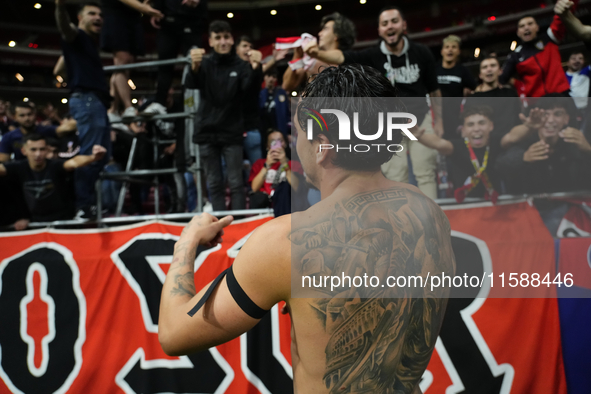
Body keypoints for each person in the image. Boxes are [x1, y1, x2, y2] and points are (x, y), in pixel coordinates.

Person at [158, 64, 455, 394]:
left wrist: (185, 245)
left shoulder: (288, 240)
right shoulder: (429, 213)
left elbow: (173, 333)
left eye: (298, 134)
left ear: (322, 146)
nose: (295, 144)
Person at [304, 6, 444, 200]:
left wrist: (440, 122)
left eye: (394, 21)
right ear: (379, 30)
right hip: (388, 125)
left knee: (426, 174)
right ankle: (404, 225)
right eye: (384, 24)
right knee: (396, 176)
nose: (390, 27)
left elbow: (434, 91)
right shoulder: (372, 55)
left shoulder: (422, 53)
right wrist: (316, 53)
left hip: (421, 120)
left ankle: (432, 224)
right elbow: (341, 57)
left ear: (403, 25)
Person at [187, 20, 263, 211]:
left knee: (237, 183)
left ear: (232, 40)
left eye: (226, 37)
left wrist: (257, 68)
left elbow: (250, 93)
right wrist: (193, 67)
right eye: (218, 37)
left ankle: (236, 225)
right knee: (214, 183)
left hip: (232, 132)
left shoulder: (241, 65)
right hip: (207, 132)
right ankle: (219, 226)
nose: (223, 42)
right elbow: (190, 84)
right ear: (210, 42)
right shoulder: (203, 63)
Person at [55, 0, 113, 218]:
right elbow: (64, 27)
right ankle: (82, 206)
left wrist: (67, 61)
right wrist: (60, 6)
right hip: (87, 100)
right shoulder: (76, 35)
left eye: (100, 14)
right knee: (91, 154)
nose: (98, 17)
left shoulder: (82, 43)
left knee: (102, 155)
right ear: (80, 18)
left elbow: (56, 70)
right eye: (92, 13)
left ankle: (85, 204)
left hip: (95, 102)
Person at [0, 134, 106, 228]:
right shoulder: (19, 167)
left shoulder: (55, 165)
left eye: (42, 149)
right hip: (34, 222)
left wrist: (93, 157)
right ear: (24, 151)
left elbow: (74, 162)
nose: (38, 154)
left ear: (47, 150)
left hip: (62, 221)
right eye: (33, 150)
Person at [497, 95, 591, 194]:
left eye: (557, 114)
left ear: (566, 119)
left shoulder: (574, 143)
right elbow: (500, 166)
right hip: (529, 204)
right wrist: (523, 158)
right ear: (538, 117)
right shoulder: (526, 139)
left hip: (566, 204)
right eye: (545, 114)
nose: (550, 120)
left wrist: (588, 150)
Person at [412, 105, 509, 202]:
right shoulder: (457, 146)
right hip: (464, 208)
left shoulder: (497, 142)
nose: (476, 128)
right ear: (463, 130)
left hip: (497, 206)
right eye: (470, 124)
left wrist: (525, 127)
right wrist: (420, 137)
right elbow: (438, 143)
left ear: (491, 126)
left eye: (481, 123)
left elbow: (513, 136)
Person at [100, 0, 163, 120]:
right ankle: (128, 107)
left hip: (132, 16)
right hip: (117, 15)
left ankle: (113, 110)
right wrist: (142, 8)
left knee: (126, 65)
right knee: (122, 63)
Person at [499, 11, 573, 97]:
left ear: (537, 27)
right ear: (518, 32)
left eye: (530, 24)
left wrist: (565, 5)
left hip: (562, 95)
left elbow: (561, 17)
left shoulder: (550, 38)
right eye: (522, 26)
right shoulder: (515, 55)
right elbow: (501, 79)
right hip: (537, 103)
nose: (526, 28)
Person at [151, 0, 208, 106]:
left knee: (194, 64)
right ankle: (159, 104)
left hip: (192, 21)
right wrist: (156, 9)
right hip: (168, 23)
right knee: (164, 66)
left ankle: (195, 104)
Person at [282, 12, 356, 93]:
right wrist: (296, 56)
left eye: (325, 29)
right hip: (312, 104)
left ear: (337, 34)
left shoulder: (350, 63)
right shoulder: (311, 60)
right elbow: (287, 85)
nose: (319, 33)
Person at [0, 102, 77, 162]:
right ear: (15, 117)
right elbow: (4, 160)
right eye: (22, 115)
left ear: (35, 115)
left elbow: (67, 127)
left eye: (29, 114)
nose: (27, 118)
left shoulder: (46, 130)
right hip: (21, 172)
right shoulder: (9, 137)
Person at [248, 130, 300, 213]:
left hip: (286, 205)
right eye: (273, 142)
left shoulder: (294, 164)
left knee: (285, 186)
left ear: (285, 144)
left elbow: (297, 187)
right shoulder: (259, 163)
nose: (277, 144)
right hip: (265, 205)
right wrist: (267, 165)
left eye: (280, 141)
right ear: (267, 146)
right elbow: (254, 189)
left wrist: (285, 164)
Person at [468, 55, 521, 137]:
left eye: (493, 66)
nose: (489, 69)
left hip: (509, 142)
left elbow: (518, 120)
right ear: (480, 75)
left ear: (500, 71)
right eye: (485, 67)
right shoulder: (473, 99)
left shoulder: (510, 94)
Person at [437, 35, 477, 139]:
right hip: (436, 118)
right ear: (442, 51)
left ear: (458, 51)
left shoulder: (463, 71)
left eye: (454, 47)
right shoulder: (433, 70)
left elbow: (475, 89)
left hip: (455, 118)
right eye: (447, 47)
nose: (450, 49)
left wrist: (468, 92)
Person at [259, 68, 290, 140]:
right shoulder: (260, 94)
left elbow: (286, 113)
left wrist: (288, 132)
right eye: (269, 76)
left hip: (280, 130)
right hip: (264, 130)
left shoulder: (281, 93)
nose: (271, 79)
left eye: (273, 77)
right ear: (264, 77)